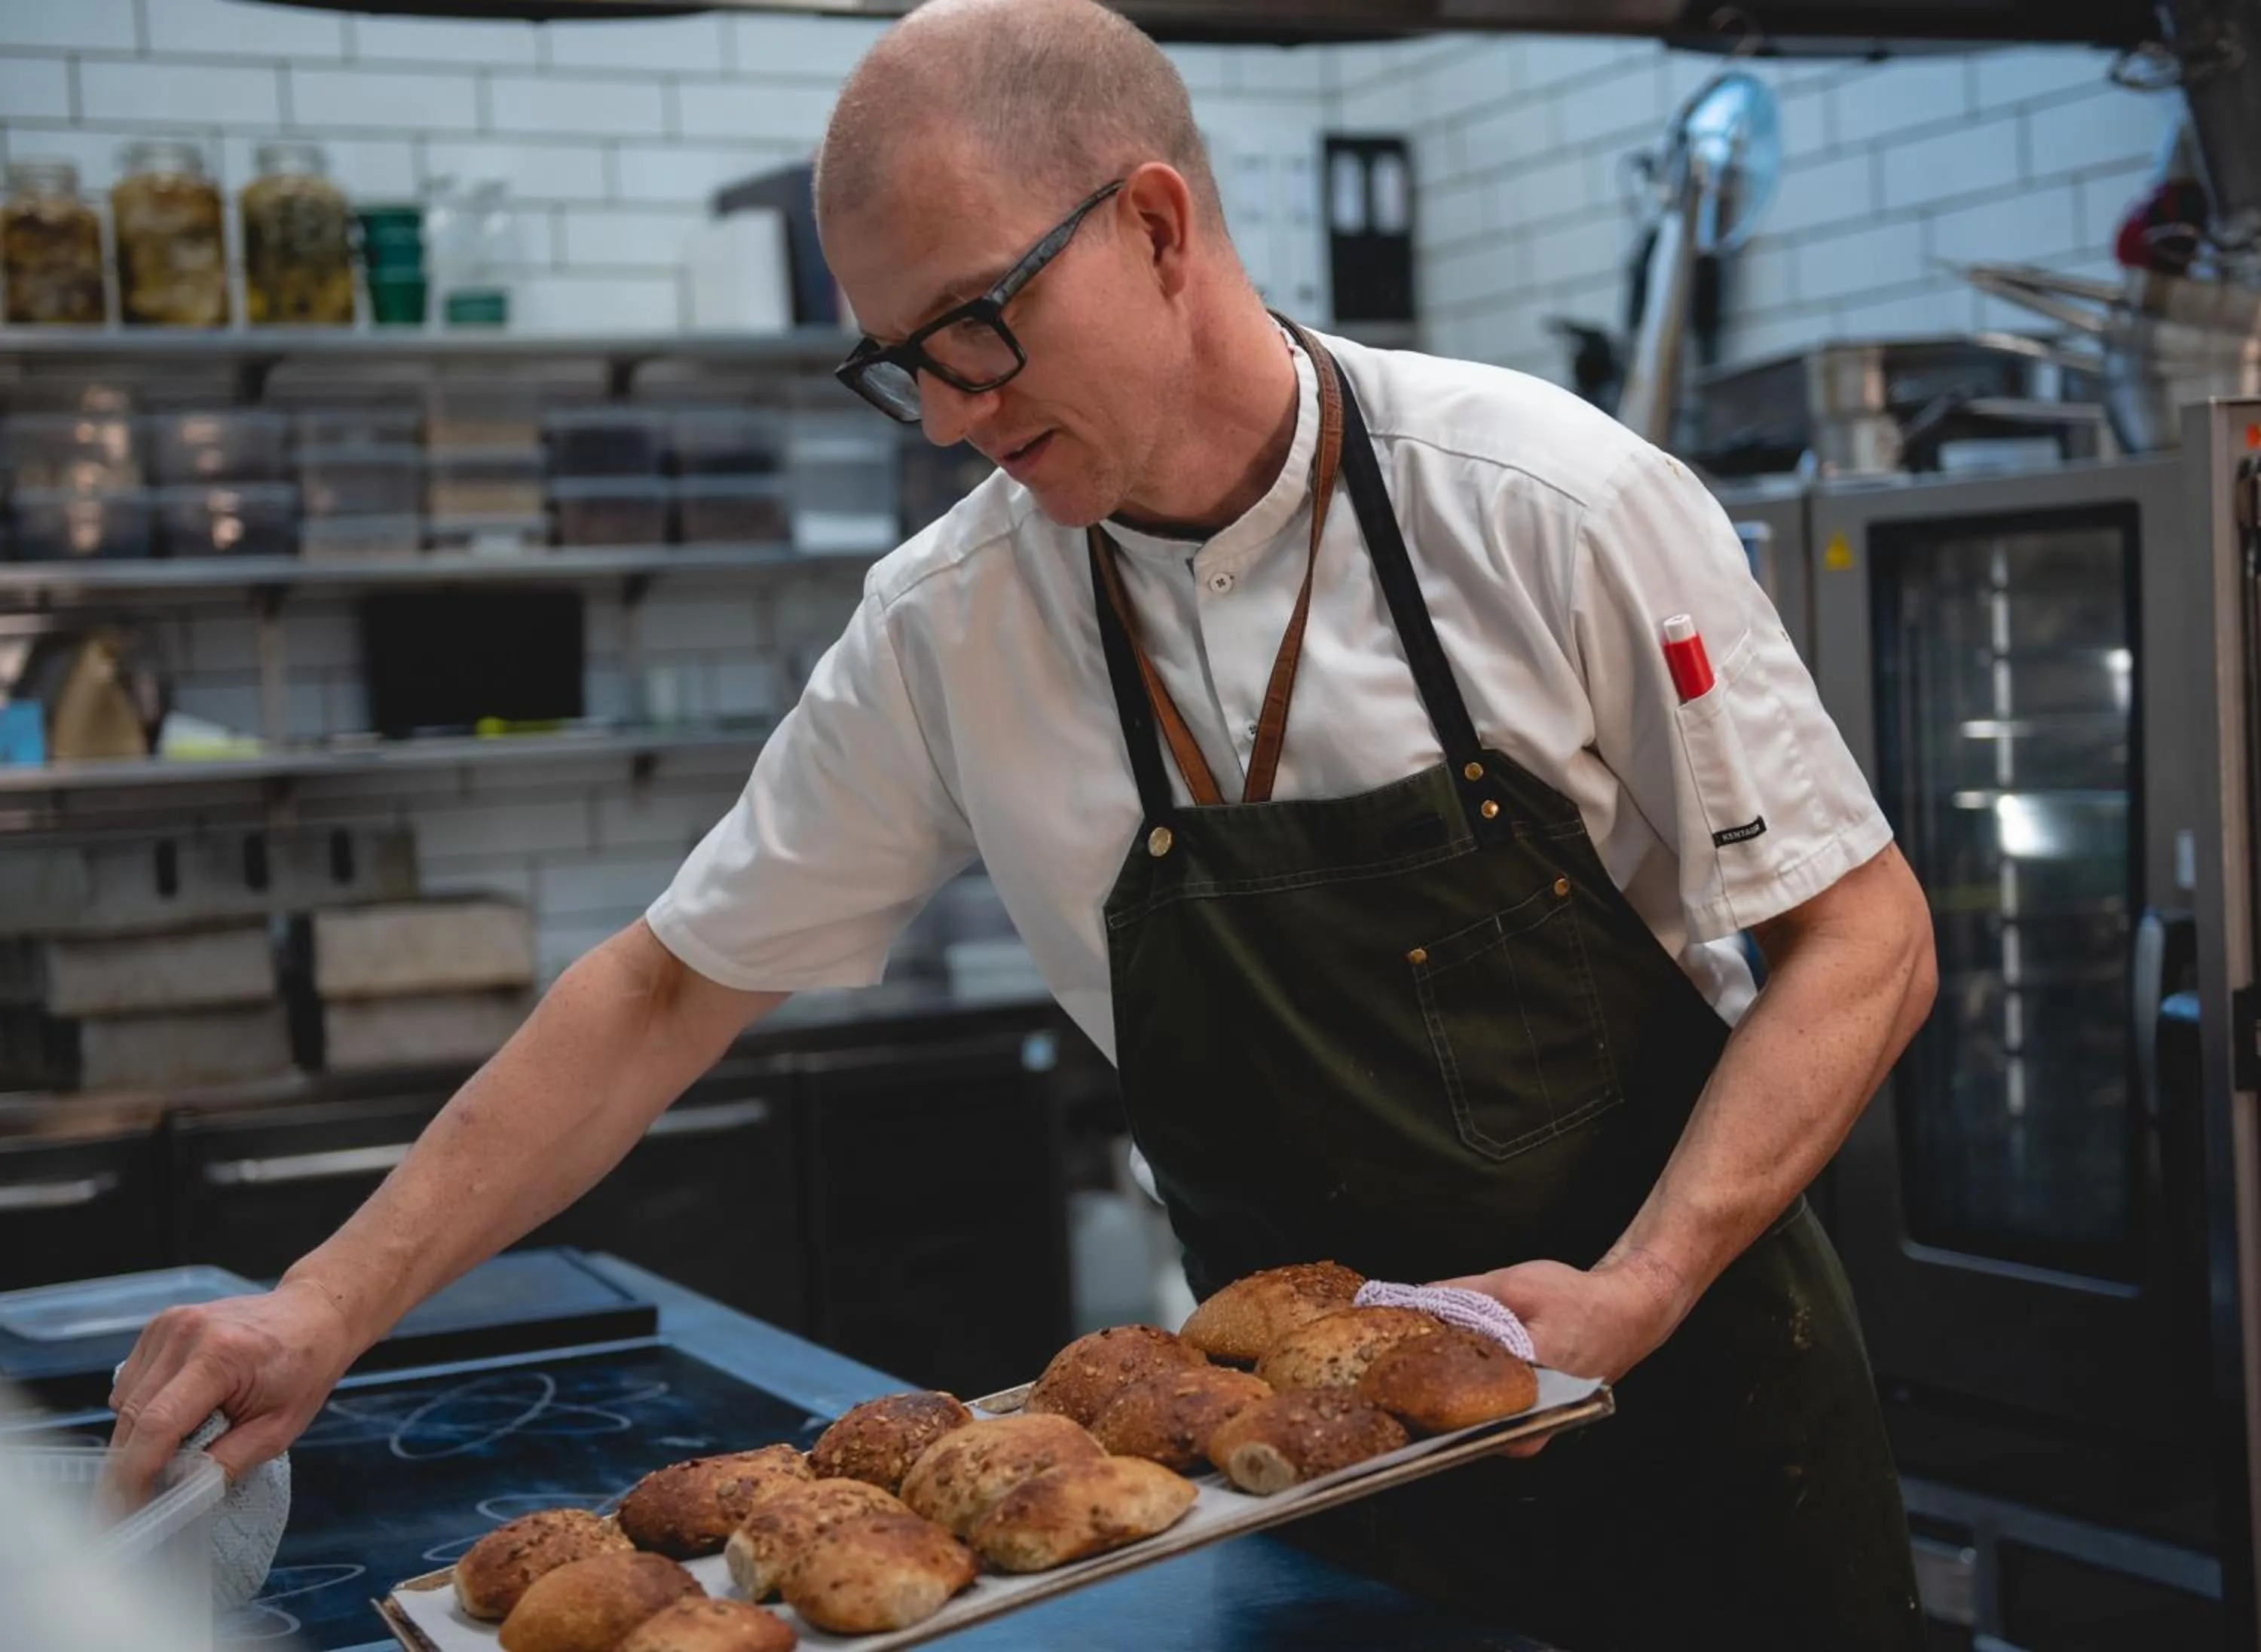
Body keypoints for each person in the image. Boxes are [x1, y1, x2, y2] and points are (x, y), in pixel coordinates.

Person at [109, 2, 1936, 1644]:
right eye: (900, 362)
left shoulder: (1552, 505)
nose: (949, 418)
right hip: (1296, 1481)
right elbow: (671, 985)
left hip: (1694, 1428)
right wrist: (322, 1308)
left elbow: (1864, 938)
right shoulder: (951, 624)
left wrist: (1636, 1288)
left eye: (978, 328)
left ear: (1155, 227)